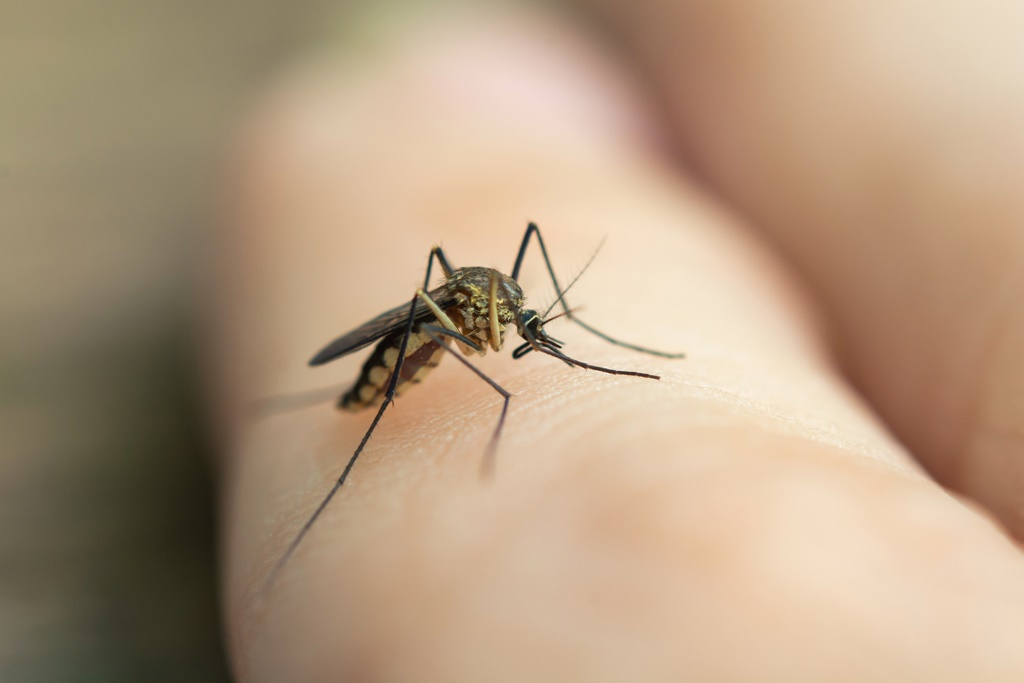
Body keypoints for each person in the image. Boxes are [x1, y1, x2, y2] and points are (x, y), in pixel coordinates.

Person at [209, 3, 1024, 680]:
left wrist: (582, 339)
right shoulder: (471, 314)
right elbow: (452, 309)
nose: (527, 335)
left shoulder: (520, 305)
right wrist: (469, 384)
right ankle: (348, 449)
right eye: (528, 327)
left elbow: (529, 314)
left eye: (531, 326)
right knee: (436, 302)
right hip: (409, 338)